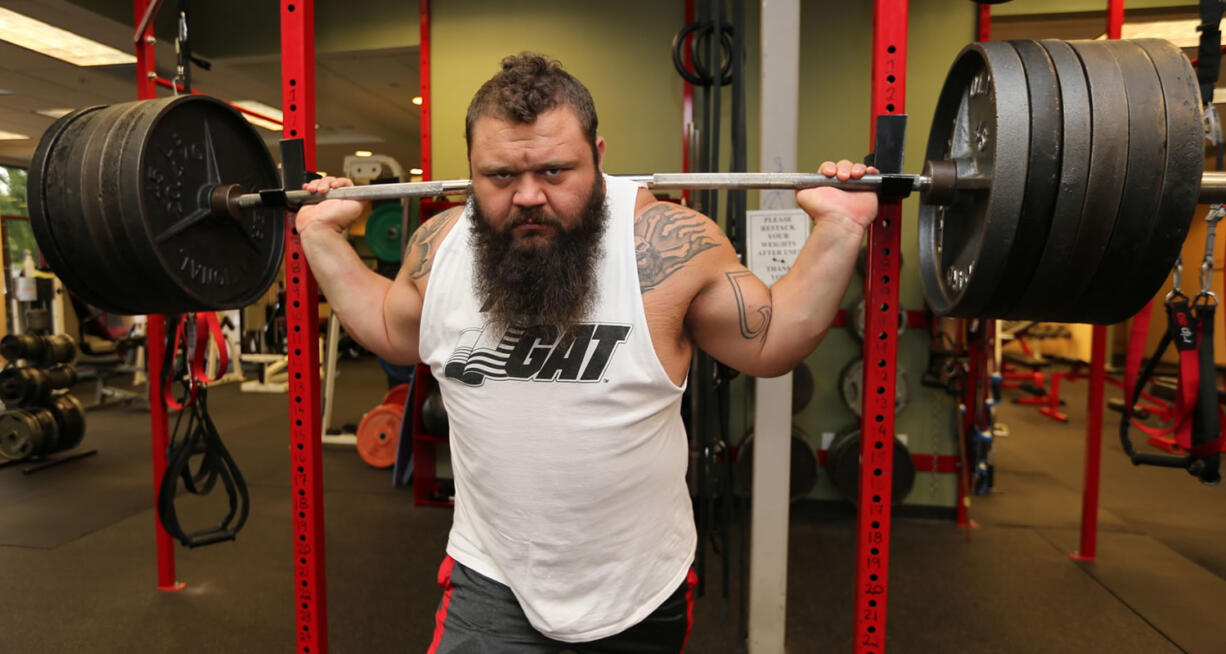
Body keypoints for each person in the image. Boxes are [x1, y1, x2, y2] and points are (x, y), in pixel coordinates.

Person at [296, 53, 878, 653]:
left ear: (599, 155)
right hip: (493, 583)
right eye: (499, 176)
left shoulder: (663, 247)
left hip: (637, 590)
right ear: (469, 170)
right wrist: (319, 234)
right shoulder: (438, 249)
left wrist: (838, 227)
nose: (527, 196)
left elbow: (773, 339)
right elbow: (393, 331)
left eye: (554, 171)